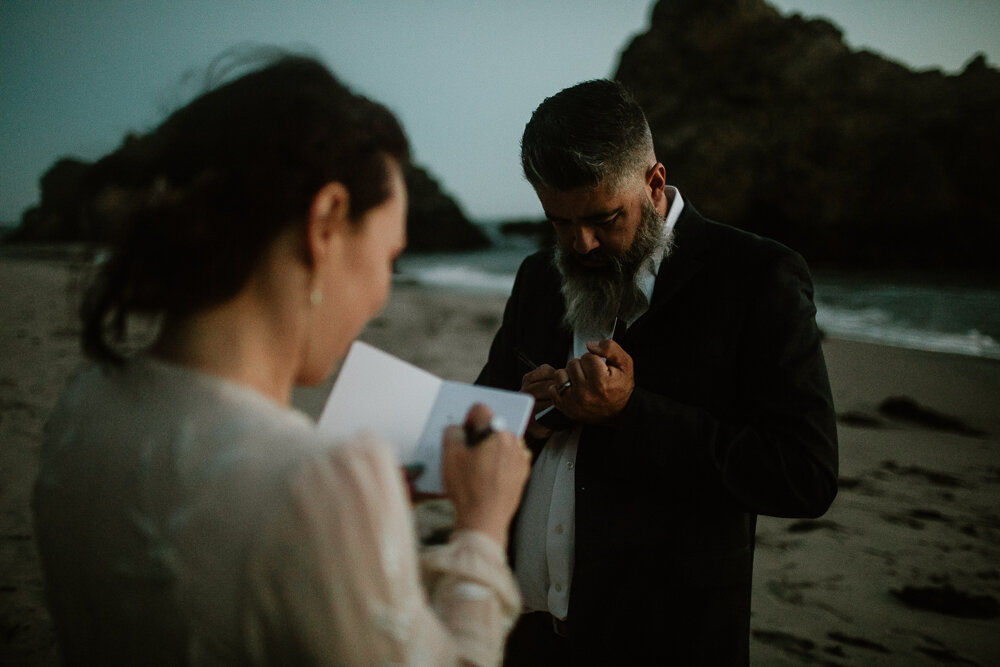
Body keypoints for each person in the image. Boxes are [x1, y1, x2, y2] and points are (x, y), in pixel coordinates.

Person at [33, 53, 531, 666]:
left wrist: (370, 526)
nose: (381, 292)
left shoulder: (84, 408)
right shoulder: (319, 481)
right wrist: (481, 528)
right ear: (325, 223)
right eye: (388, 256)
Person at [477, 79, 838, 664]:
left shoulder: (756, 278)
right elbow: (483, 414)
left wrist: (630, 413)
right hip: (523, 638)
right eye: (559, 222)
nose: (581, 242)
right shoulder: (537, 277)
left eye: (602, 218)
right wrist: (527, 418)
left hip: (668, 643)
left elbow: (804, 475)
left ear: (653, 182)